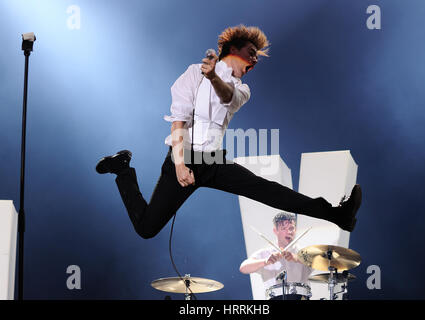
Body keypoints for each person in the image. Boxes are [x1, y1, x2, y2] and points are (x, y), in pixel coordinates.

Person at [95, 25, 362, 239]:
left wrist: (213, 77)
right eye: (250, 51)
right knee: (146, 229)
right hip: (184, 157)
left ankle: (339, 215)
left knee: (270, 191)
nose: (255, 58)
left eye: (257, 55)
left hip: (213, 161)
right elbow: (178, 120)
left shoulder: (242, 89)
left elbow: (226, 96)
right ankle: (123, 169)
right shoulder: (193, 73)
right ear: (232, 49)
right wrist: (178, 164)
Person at [239, 212, 312, 299]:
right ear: (275, 231)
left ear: (295, 230)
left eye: (291, 228)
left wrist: (296, 258)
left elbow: (321, 262)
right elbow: (243, 268)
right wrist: (266, 261)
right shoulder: (266, 253)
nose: (289, 232)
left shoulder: (303, 252)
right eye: (283, 228)